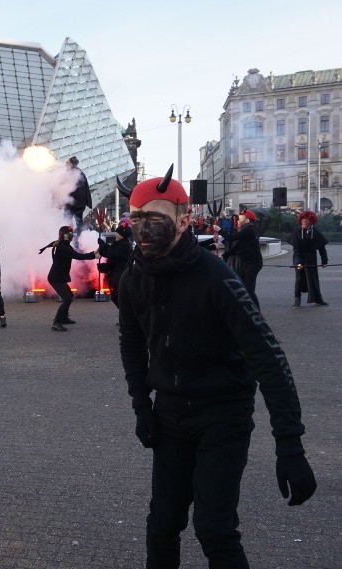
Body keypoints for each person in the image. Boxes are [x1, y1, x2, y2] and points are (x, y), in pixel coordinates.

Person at [118, 166, 317, 568]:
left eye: (154, 218)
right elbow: (132, 345)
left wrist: (290, 445)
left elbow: (269, 358)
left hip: (222, 414)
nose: (142, 229)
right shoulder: (132, 278)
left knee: (215, 528)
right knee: (162, 524)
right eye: (135, 218)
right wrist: (141, 405)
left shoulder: (218, 278)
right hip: (169, 415)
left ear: (184, 220)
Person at [39, 225, 98, 331]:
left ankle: (64, 318)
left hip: (59, 276)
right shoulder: (63, 247)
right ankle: (56, 323)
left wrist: (43, 248)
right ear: (63, 235)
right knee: (67, 299)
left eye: (71, 233)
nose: (71, 235)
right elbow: (79, 256)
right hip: (56, 278)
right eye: (68, 233)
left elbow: (52, 243)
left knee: (69, 295)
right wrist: (94, 255)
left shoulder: (61, 244)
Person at [222, 209, 264, 308]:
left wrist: (219, 230)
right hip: (246, 263)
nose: (237, 221)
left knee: (249, 289)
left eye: (240, 219)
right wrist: (225, 255)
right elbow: (237, 247)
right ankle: (245, 309)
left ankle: (257, 312)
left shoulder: (249, 229)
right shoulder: (245, 230)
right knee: (241, 286)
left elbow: (232, 237)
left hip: (253, 263)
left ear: (247, 221)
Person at [290, 211, 329, 307]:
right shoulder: (297, 233)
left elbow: (322, 248)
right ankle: (297, 299)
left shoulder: (316, 233)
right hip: (300, 257)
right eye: (303, 220)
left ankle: (317, 299)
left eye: (306, 221)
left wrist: (324, 261)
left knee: (313, 278)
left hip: (311, 258)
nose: (304, 222)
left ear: (311, 222)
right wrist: (298, 262)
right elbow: (296, 250)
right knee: (299, 278)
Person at [97, 218, 134, 308]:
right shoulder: (118, 243)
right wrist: (105, 267)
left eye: (118, 233)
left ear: (122, 235)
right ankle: (124, 315)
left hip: (121, 273)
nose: (116, 234)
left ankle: (126, 316)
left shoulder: (124, 245)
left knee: (119, 296)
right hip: (116, 272)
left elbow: (112, 254)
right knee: (114, 296)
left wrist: (103, 245)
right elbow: (113, 258)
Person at [65, 157, 92, 233]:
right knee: (79, 221)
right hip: (79, 203)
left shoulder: (72, 173)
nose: (66, 164)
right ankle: (80, 238)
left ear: (71, 163)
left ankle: (68, 237)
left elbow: (68, 187)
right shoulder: (79, 172)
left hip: (73, 203)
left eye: (67, 162)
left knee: (66, 220)